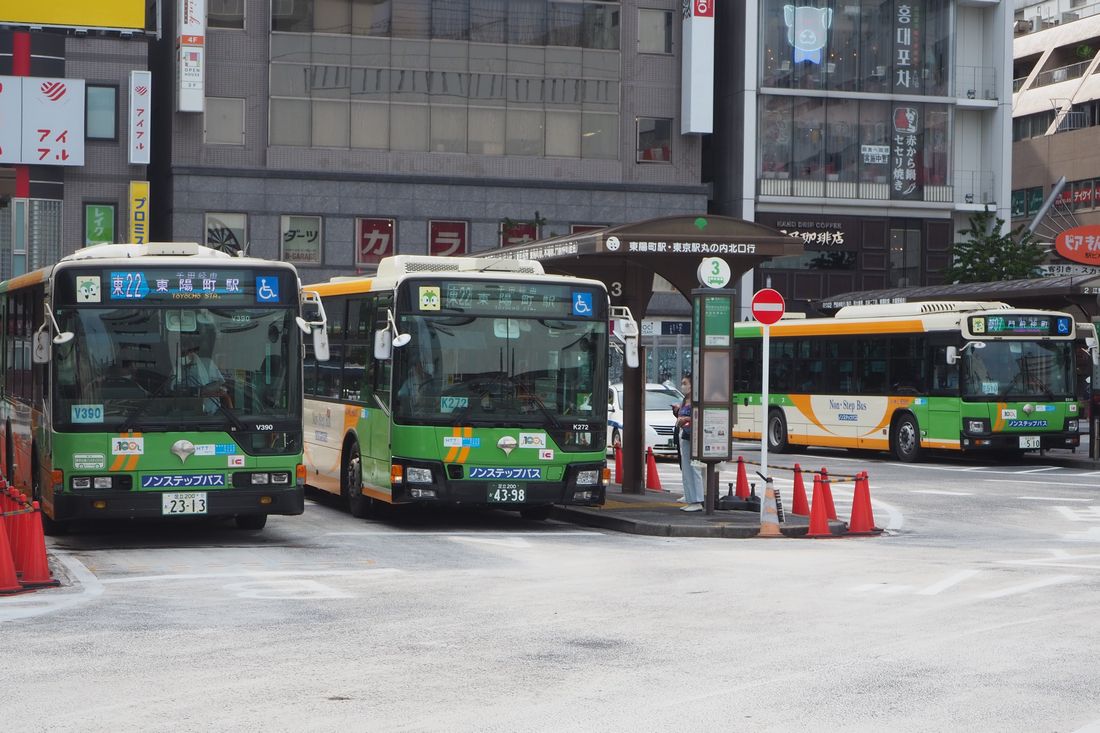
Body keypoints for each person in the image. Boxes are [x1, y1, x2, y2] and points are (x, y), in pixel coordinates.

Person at [175, 334, 228, 414]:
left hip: (209, 412)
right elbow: (170, 388)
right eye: (183, 352)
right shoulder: (176, 367)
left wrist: (202, 391)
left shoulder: (208, 363)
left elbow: (219, 384)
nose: (186, 354)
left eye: (189, 351)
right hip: (182, 412)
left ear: (195, 351)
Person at [675, 374, 705, 511]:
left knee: (694, 468)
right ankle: (690, 498)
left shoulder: (695, 401)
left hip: (693, 436)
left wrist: (685, 419)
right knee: (686, 469)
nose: (682, 386)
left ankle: (697, 500)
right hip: (684, 436)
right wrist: (677, 413)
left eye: (684, 383)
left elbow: (698, 417)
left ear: (692, 385)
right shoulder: (684, 400)